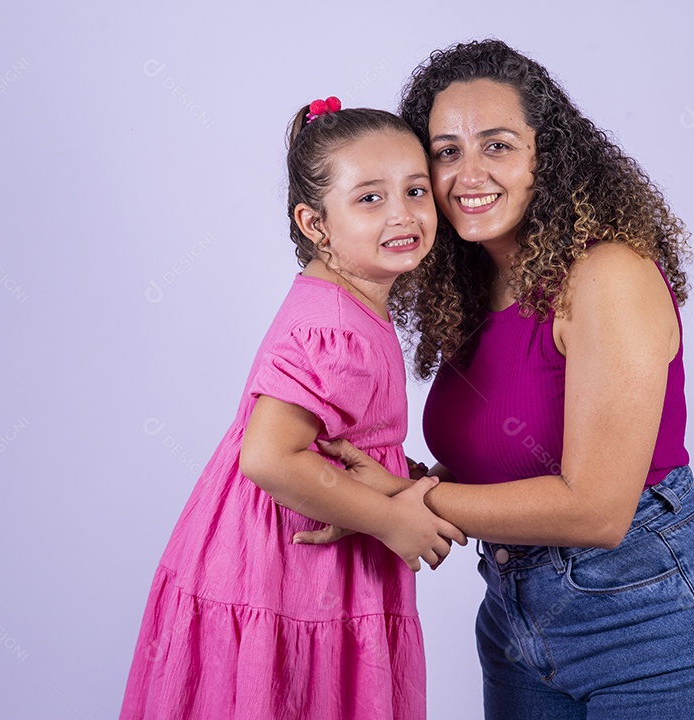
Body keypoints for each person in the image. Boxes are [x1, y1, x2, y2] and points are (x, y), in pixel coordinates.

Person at [298, 41, 694, 719]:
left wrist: (402, 501)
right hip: (516, 617)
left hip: (653, 611)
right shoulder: (472, 286)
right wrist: (369, 492)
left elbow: (596, 510)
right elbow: (510, 458)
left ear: (546, 155)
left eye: (497, 145)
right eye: (447, 151)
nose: (469, 174)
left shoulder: (607, 275)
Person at [119, 98, 465, 720]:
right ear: (315, 223)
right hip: (285, 564)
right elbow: (268, 457)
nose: (403, 214)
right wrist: (390, 519)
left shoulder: (346, 301)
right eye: (369, 198)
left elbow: (335, 435)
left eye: (415, 191)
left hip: (292, 548)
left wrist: (399, 477)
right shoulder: (335, 327)